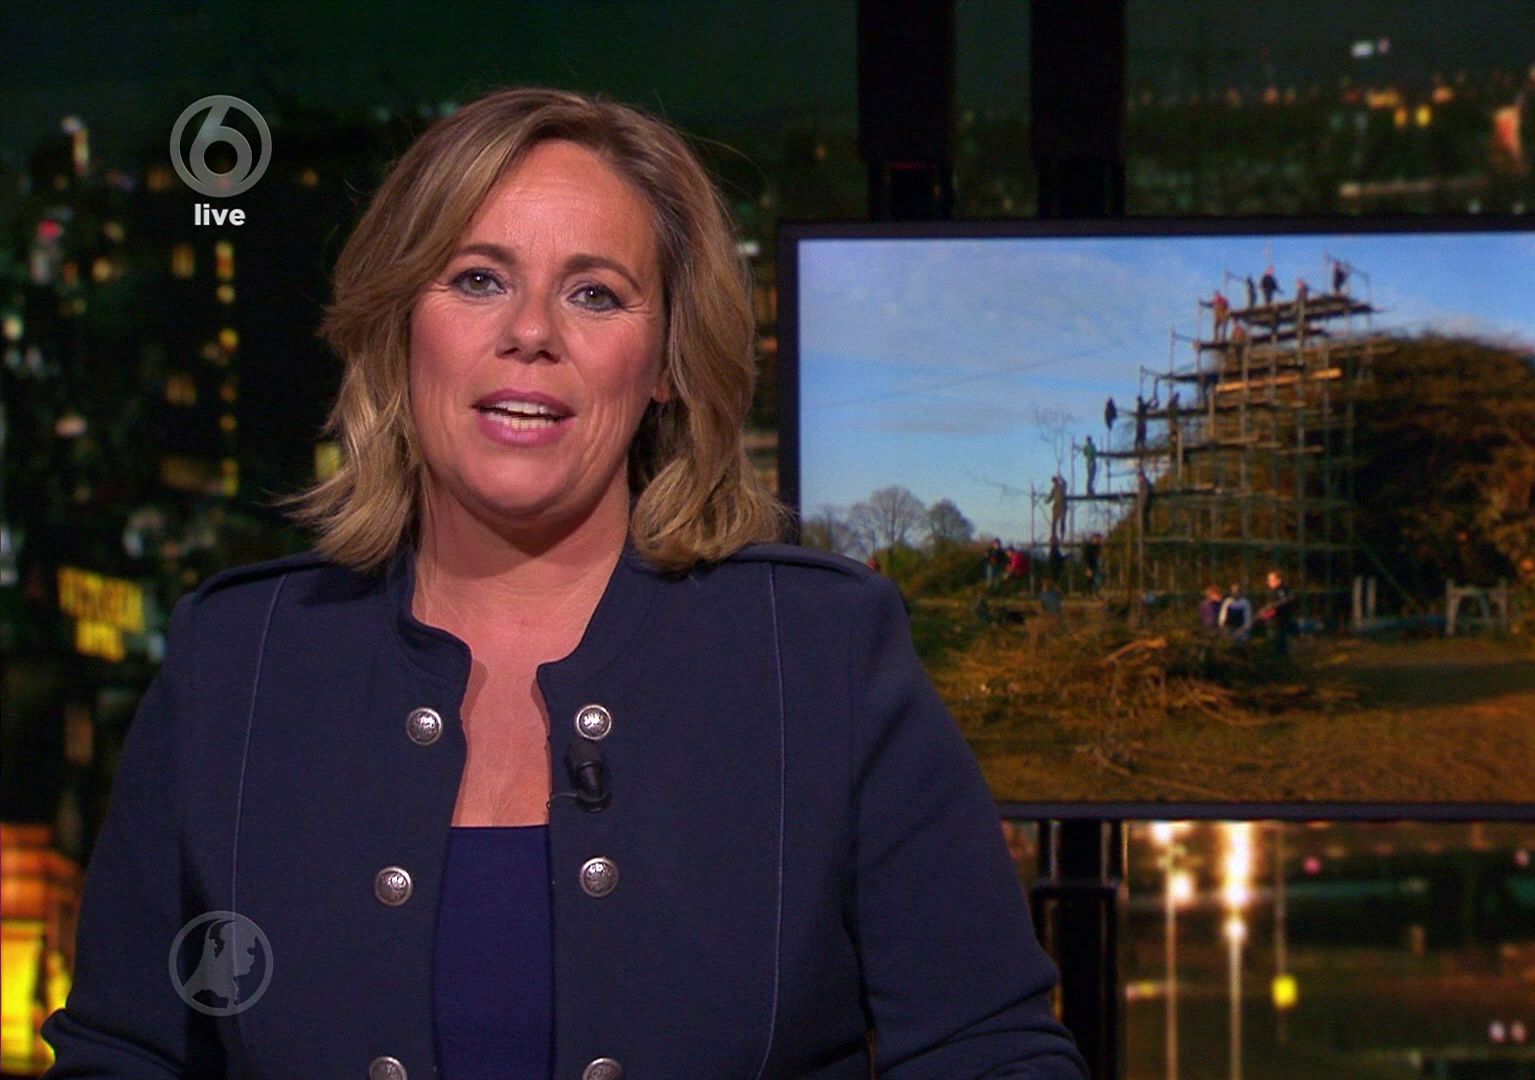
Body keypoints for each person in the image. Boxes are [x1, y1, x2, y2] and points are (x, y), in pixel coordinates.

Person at [38, 87, 1088, 1080]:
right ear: (399, 328)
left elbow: (991, 1051)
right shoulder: (239, 660)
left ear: (667, 360)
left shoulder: (820, 654)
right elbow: (123, 1054)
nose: (531, 332)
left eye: (594, 293)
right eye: (477, 280)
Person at [1258, 568, 1297, 657]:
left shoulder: (1277, 592)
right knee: (1281, 646)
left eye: (1271, 580)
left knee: (1276, 646)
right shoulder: (1285, 591)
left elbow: (1275, 610)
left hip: (1276, 624)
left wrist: (1264, 616)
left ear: (1278, 580)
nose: (1268, 582)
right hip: (1280, 623)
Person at [1048, 474, 1068, 545]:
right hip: (1056, 507)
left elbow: (1065, 483)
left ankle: (1062, 537)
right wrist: (1047, 501)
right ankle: (1053, 536)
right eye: (1053, 482)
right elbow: (1051, 497)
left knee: (1062, 522)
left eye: (1055, 481)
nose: (1054, 483)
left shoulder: (1062, 487)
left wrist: (1061, 477)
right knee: (1054, 523)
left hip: (1062, 507)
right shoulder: (1053, 489)